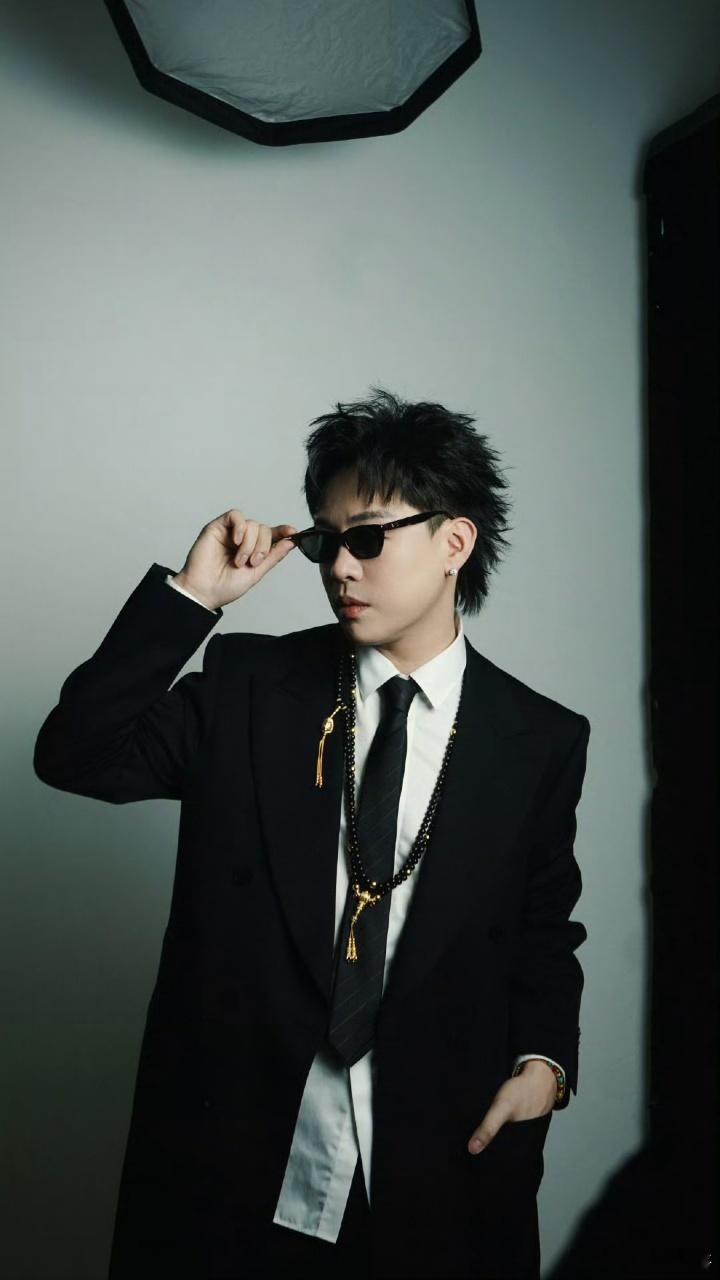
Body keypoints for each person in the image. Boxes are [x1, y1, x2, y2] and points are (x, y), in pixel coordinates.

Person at [33, 388, 591, 1279]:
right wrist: (193, 598)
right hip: (234, 1167)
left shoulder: (539, 739)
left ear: (455, 542)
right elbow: (76, 754)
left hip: (437, 1170)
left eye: (368, 539)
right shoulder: (251, 688)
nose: (340, 569)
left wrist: (545, 1065)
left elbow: (542, 929)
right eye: (328, 543)